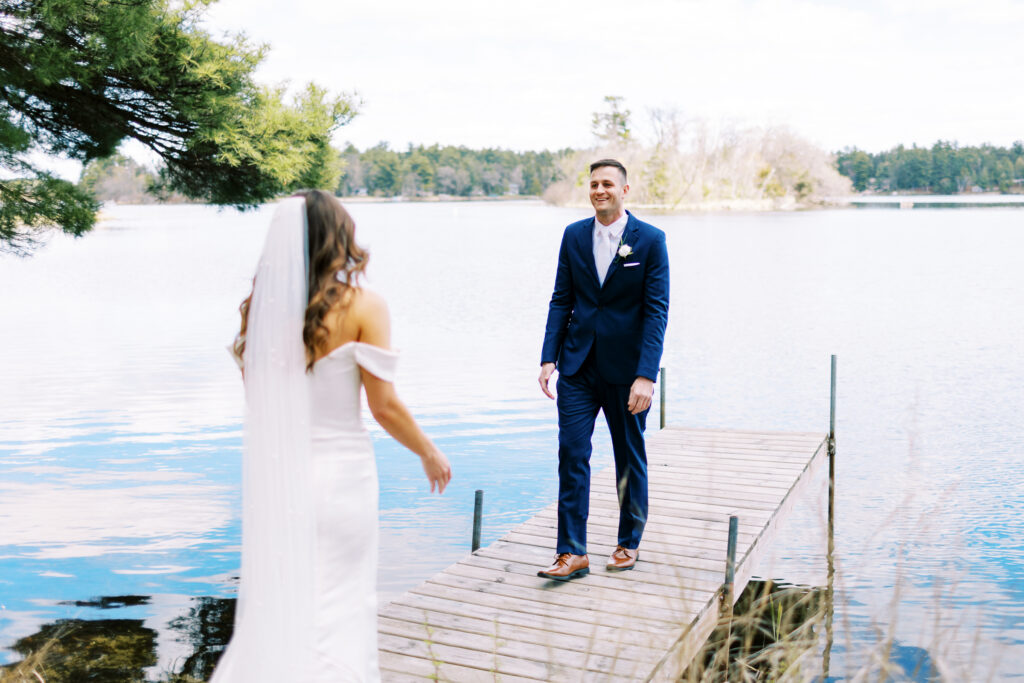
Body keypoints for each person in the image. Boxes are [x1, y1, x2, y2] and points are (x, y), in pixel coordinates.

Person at [211, 190, 452, 682]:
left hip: (280, 480)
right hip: (342, 478)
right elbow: (383, 406)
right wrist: (428, 452)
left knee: (283, 604)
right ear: (337, 238)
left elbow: (263, 409)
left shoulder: (258, 314)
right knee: (341, 602)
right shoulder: (364, 305)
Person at [537, 159, 669, 581]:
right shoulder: (573, 236)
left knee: (629, 458)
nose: (599, 190)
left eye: (607, 184)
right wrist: (548, 357)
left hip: (628, 372)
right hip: (577, 367)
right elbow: (562, 299)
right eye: (593, 184)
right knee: (572, 454)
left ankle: (628, 542)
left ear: (625, 190)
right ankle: (572, 552)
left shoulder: (650, 241)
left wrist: (647, 375)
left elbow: (656, 313)